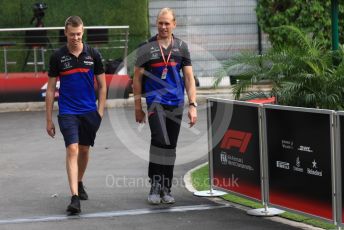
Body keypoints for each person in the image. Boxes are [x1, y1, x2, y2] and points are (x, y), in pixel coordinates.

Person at [133, 8, 197, 205]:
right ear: (156, 23)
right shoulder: (146, 47)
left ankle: (166, 187)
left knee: (170, 146)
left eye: (167, 23)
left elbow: (188, 78)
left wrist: (193, 105)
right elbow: (136, 79)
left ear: (174, 24)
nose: (163, 26)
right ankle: (155, 184)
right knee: (159, 139)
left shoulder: (181, 48)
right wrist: (137, 106)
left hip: (175, 103)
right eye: (160, 22)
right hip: (155, 102)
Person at [45, 16, 106, 214]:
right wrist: (48, 119)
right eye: (72, 34)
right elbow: (52, 88)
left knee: (84, 150)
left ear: (83, 31)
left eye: (79, 34)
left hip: (90, 112)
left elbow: (103, 86)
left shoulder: (93, 54)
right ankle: (74, 198)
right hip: (67, 112)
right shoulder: (57, 57)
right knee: (72, 149)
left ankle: (79, 182)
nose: (76, 38)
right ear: (65, 33)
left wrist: (100, 112)